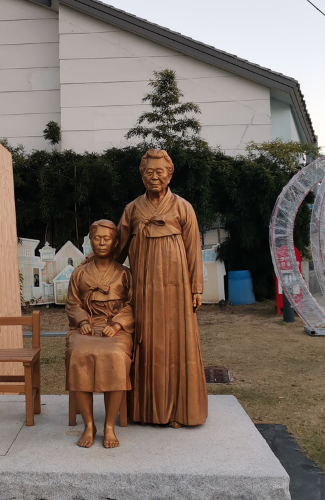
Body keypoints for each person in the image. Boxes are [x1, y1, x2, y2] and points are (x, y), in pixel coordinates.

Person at [116, 148, 208, 427]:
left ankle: (181, 411)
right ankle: (145, 410)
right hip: (144, 289)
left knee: (177, 342)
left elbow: (194, 250)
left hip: (177, 288)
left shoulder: (183, 207)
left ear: (169, 175)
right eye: (148, 172)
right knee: (148, 341)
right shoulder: (132, 209)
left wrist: (196, 288)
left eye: (160, 172)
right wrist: (97, 264)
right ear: (141, 175)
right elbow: (118, 248)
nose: (154, 177)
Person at [66, 220, 134, 448]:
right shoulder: (80, 273)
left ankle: (109, 426)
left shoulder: (125, 274)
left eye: (107, 238)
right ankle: (88, 424)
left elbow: (132, 305)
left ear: (116, 243)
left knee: (116, 356)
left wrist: (116, 325)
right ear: (90, 241)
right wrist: (83, 320)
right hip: (86, 328)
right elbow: (72, 303)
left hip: (115, 330)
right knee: (78, 353)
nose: (102, 242)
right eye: (97, 238)